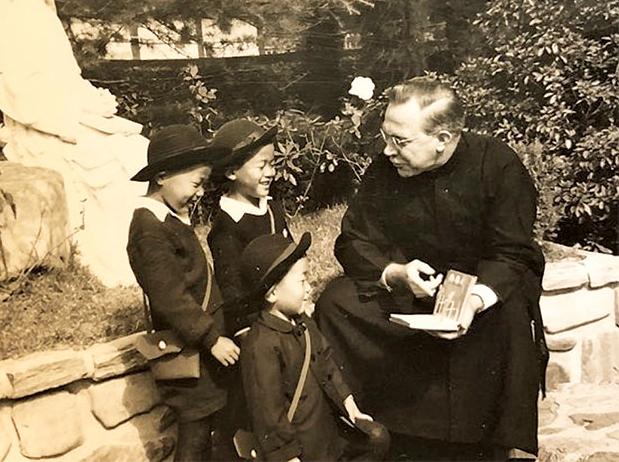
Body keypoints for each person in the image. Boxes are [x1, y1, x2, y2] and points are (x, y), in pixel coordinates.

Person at [315, 77, 547, 461]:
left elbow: (511, 252)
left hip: (481, 293)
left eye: (400, 141)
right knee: (337, 302)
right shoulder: (385, 169)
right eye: (385, 137)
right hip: (411, 292)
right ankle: (371, 426)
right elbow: (353, 239)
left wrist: (473, 300)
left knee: (507, 316)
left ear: (442, 138)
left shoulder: (498, 165)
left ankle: (485, 442)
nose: (387, 151)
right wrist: (394, 272)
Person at [0, 0, 149, 286]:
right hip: (43, 126)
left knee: (135, 146)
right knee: (110, 162)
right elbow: (14, 92)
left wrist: (96, 100)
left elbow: (70, 78)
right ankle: (107, 262)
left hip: (71, 114)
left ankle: (139, 254)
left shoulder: (46, 17)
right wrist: (65, 121)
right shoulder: (10, 19)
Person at [127, 125, 241, 461]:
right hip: (190, 355)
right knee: (194, 436)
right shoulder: (150, 230)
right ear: (162, 177)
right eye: (196, 183)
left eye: (204, 183)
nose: (201, 191)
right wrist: (211, 338)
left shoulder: (169, 220)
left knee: (210, 432)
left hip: (201, 355)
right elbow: (171, 298)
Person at [240, 232, 390, 462]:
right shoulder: (261, 345)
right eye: (302, 281)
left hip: (326, 433)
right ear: (271, 294)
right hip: (303, 448)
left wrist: (349, 404)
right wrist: (288, 457)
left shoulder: (304, 322)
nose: (310, 288)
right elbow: (268, 414)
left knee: (378, 438)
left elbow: (327, 363)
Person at [208, 119, 291, 335]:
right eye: (262, 166)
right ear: (232, 172)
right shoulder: (227, 227)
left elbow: (292, 255)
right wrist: (245, 332)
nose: (271, 172)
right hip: (257, 322)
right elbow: (232, 290)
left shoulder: (272, 209)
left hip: (288, 306)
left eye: (272, 164)